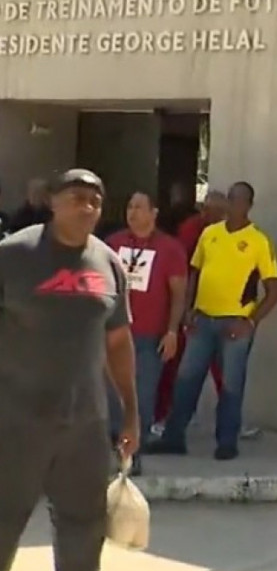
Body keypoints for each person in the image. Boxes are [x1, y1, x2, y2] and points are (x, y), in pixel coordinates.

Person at [0, 168, 138, 571]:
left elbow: (118, 342)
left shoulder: (108, 263)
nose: (87, 208)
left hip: (85, 427)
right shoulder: (13, 256)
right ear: (52, 202)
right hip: (15, 425)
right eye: (77, 198)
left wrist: (130, 415)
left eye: (96, 201)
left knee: (84, 528)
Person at [146, 181, 277, 460]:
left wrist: (250, 322)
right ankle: (174, 437)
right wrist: (188, 310)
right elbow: (194, 272)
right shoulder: (210, 234)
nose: (233, 206)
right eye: (230, 200)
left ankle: (227, 442)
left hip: (236, 323)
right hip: (203, 321)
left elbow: (274, 290)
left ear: (249, 205)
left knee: (231, 384)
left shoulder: (258, 240)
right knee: (186, 380)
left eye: (239, 201)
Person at [105, 191, 188, 476]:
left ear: (154, 213)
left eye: (139, 207)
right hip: (114, 333)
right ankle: (113, 450)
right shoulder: (113, 244)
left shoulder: (170, 248)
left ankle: (134, 453)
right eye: (129, 206)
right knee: (111, 393)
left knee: (141, 395)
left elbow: (179, 294)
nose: (132, 212)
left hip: (149, 336)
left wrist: (172, 331)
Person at [152, 189, 229, 435]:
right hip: (192, 308)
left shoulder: (230, 232)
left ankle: (229, 420)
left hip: (220, 308)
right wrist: (185, 309)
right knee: (175, 365)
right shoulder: (191, 230)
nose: (216, 217)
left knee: (223, 368)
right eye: (212, 212)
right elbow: (186, 272)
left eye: (220, 213)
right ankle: (163, 416)